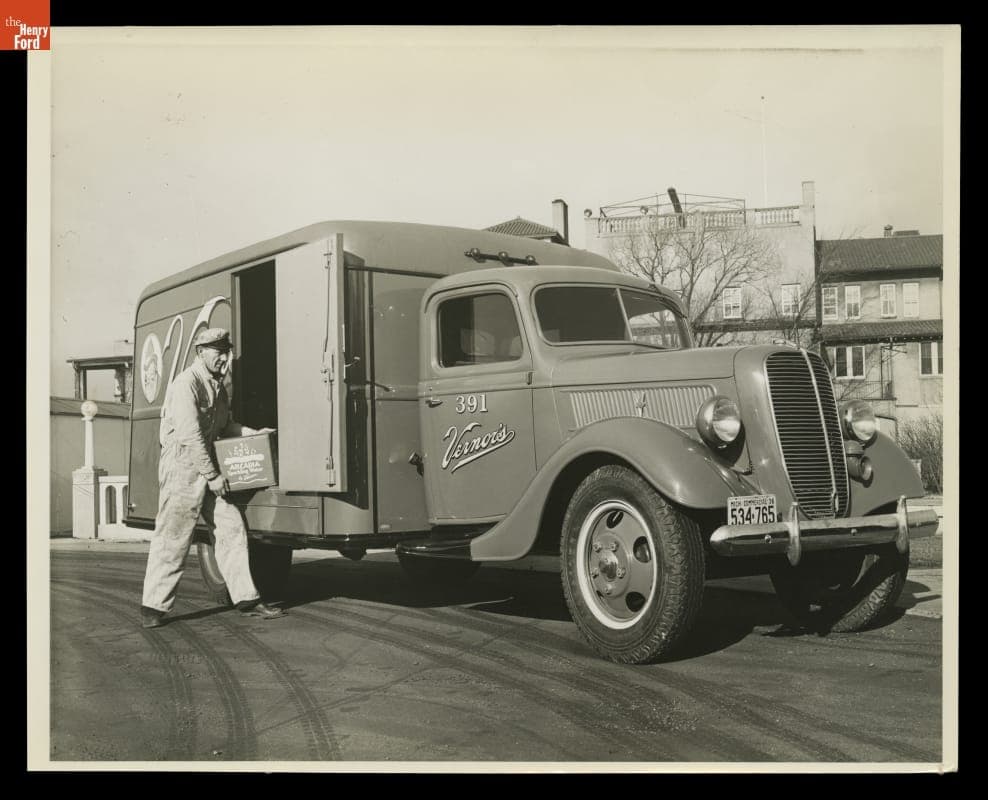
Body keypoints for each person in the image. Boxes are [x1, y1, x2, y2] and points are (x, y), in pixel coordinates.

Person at [140, 327, 286, 628]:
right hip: (183, 467)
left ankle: (247, 599)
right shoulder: (187, 384)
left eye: (226, 352)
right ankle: (153, 608)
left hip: (205, 464)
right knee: (174, 537)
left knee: (231, 527)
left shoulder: (217, 387)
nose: (223, 358)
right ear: (201, 353)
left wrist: (254, 434)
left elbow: (225, 426)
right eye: (218, 353)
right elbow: (190, 435)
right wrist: (212, 476)